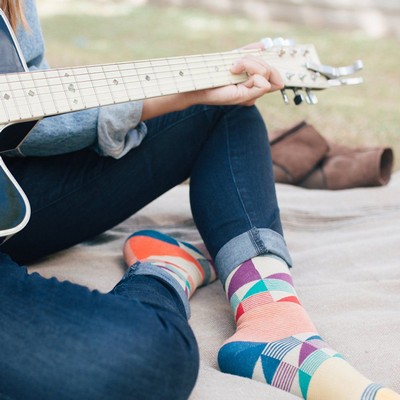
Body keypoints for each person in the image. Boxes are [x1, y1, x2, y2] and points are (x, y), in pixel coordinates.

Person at [0, 0, 399, 399]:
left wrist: (192, 89)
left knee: (221, 108)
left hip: (14, 194)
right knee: (142, 362)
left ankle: (273, 318)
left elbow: (23, 105)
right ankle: (164, 272)